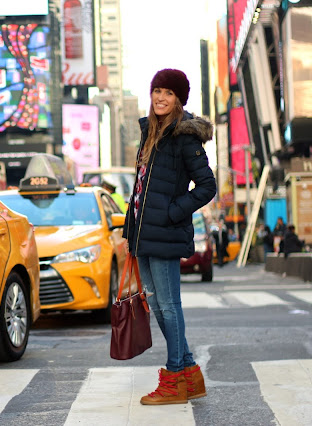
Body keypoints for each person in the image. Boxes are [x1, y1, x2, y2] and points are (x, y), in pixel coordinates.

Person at [122, 69, 216, 405]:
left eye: (169, 93)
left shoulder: (183, 136)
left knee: (169, 307)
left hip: (164, 232)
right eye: (157, 90)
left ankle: (175, 377)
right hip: (143, 235)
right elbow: (140, 190)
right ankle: (189, 373)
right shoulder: (151, 132)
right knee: (158, 307)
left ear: (179, 99)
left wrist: (174, 212)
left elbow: (207, 186)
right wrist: (129, 231)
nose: (161, 97)